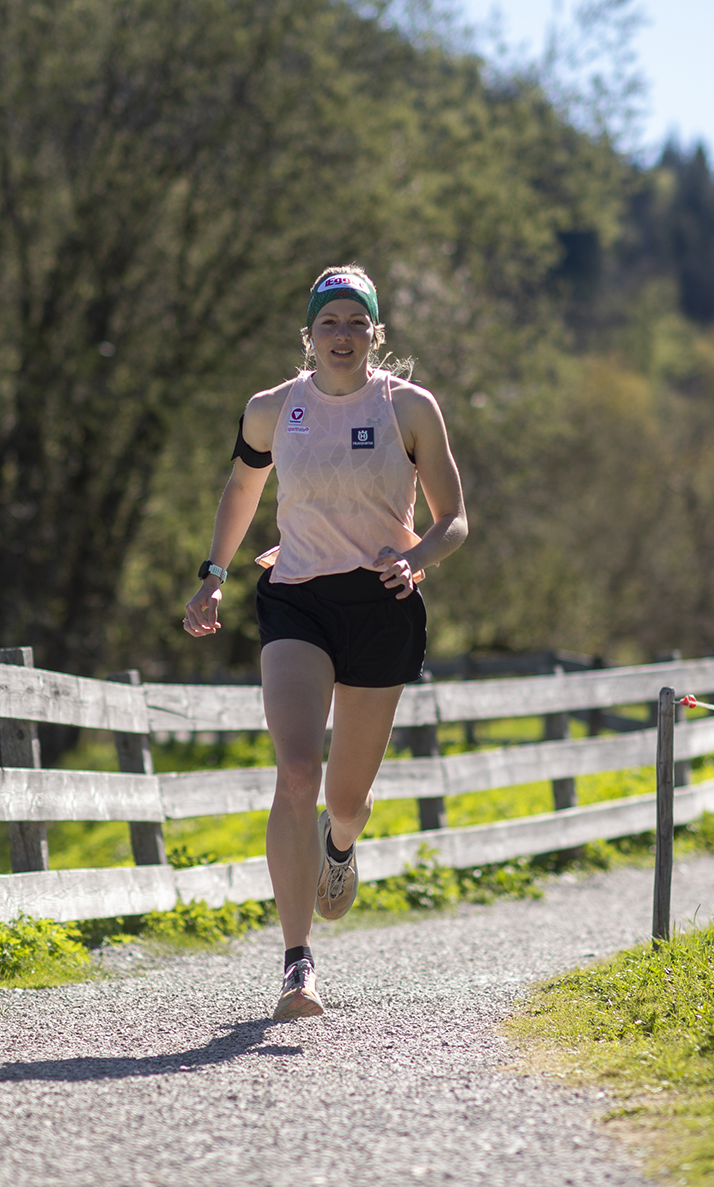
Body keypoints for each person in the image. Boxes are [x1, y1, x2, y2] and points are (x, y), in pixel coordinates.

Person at [182, 265, 468, 1019]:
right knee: (298, 769)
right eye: (329, 322)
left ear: (376, 333)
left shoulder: (411, 408)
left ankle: (341, 843)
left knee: (345, 797)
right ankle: (296, 963)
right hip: (296, 599)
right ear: (307, 334)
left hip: (382, 600)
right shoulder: (272, 410)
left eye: (356, 322)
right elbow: (243, 490)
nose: (342, 335)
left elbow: (455, 519)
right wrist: (213, 574)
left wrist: (418, 556)